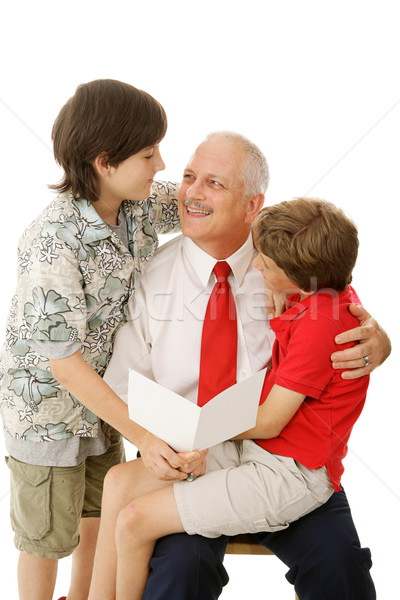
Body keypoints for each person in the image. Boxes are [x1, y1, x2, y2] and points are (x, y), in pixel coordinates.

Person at [91, 131, 389, 599]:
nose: (190, 192)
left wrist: (381, 341)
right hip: (190, 453)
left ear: (253, 205)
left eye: (214, 183)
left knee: (340, 566)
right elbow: (124, 382)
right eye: (189, 177)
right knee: (179, 571)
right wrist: (151, 441)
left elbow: (338, 313)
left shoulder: (287, 266)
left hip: (284, 457)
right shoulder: (151, 275)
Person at [0, 79, 203, 600]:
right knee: (46, 537)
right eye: (149, 153)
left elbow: (203, 207)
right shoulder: (53, 241)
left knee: (98, 516)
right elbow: (64, 365)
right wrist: (150, 437)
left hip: (106, 404)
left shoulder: (136, 205)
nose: (162, 165)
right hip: (47, 416)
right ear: (104, 161)